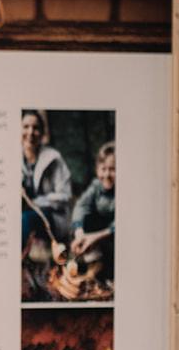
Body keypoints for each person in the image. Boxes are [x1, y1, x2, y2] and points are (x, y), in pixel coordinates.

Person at [21, 108, 72, 250]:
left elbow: (65, 196)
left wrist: (37, 202)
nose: (30, 132)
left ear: (42, 133)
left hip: (53, 219)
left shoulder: (53, 159)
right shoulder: (13, 159)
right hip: (24, 217)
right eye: (26, 127)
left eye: (35, 128)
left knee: (24, 219)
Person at [70, 140, 116, 279]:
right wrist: (79, 233)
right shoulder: (96, 186)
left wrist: (95, 237)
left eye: (113, 169)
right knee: (86, 218)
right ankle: (92, 265)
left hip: (113, 238)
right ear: (97, 170)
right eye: (103, 169)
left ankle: (105, 270)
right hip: (99, 239)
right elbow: (81, 206)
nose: (107, 175)